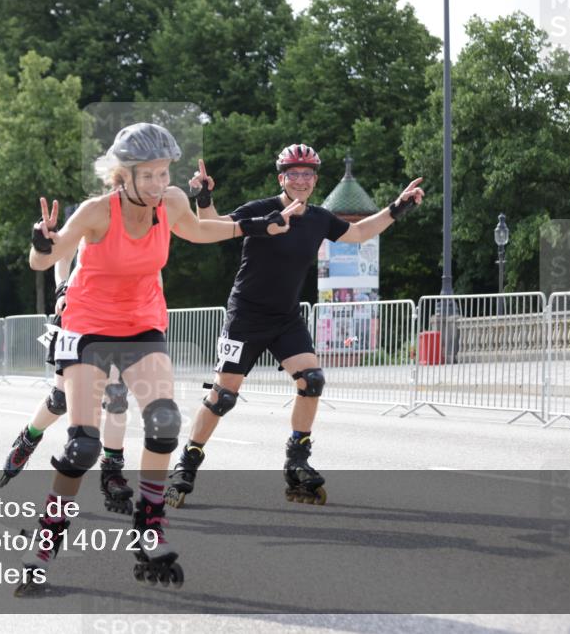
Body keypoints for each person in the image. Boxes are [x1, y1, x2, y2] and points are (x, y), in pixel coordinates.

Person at [15, 123, 299, 596]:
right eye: (146, 175)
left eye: (163, 173)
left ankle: (149, 530)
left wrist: (250, 226)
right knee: (81, 447)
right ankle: (43, 547)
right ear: (121, 175)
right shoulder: (95, 212)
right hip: (87, 328)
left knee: (165, 421)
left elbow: (200, 229)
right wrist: (42, 241)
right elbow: (44, 261)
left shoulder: (171, 202)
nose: (156, 183)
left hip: (142, 324)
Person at [167, 144, 423, 507]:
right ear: (281, 178)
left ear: (315, 180)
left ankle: (297, 460)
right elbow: (211, 227)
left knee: (312, 380)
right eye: (294, 174)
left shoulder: (319, 218)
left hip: (286, 318)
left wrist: (397, 208)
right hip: (246, 317)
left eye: (308, 174)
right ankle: (188, 462)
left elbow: (360, 232)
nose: (301, 180)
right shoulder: (261, 210)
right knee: (223, 396)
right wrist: (204, 197)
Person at [0, 250, 136, 516]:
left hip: (119, 315)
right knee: (60, 399)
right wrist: (62, 289)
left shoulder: (148, 220)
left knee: (117, 398)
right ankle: (28, 439)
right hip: (79, 312)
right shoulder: (94, 211)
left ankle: (112, 472)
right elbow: (61, 254)